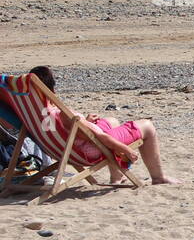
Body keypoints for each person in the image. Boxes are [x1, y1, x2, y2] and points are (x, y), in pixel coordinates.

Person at [28, 66, 179, 185]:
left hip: (63, 149)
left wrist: (84, 121)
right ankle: (159, 178)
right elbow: (99, 137)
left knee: (112, 121)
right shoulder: (62, 113)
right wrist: (125, 149)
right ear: (52, 89)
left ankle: (117, 178)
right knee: (147, 126)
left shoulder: (35, 111)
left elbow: (66, 129)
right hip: (89, 150)